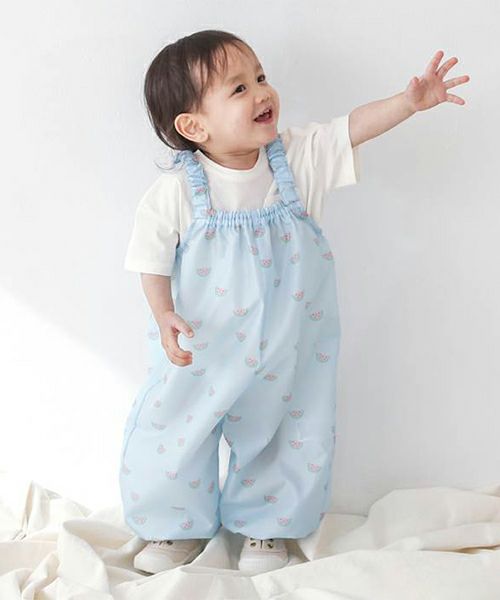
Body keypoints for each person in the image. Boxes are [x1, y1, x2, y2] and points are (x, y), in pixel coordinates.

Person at [118, 30, 469, 576]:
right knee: (176, 427)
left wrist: (408, 102)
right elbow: (151, 259)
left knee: (284, 427)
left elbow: (350, 128)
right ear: (194, 126)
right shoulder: (178, 192)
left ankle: (267, 523)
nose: (262, 92)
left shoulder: (295, 160)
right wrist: (164, 315)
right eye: (239, 88)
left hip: (286, 343)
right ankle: (173, 526)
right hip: (202, 344)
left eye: (260, 77)